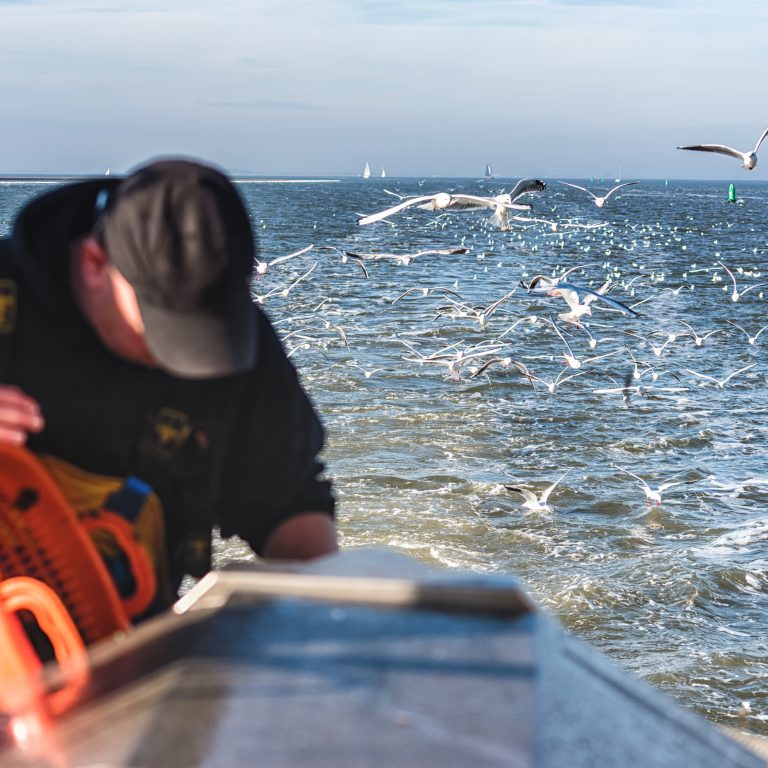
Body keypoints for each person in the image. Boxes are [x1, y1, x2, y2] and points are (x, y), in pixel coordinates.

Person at [0, 157, 338, 614]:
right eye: (166, 329)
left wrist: (335, 616)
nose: (188, 357)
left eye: (208, 333)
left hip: (132, 641)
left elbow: (289, 499)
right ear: (95, 262)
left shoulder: (236, 337)